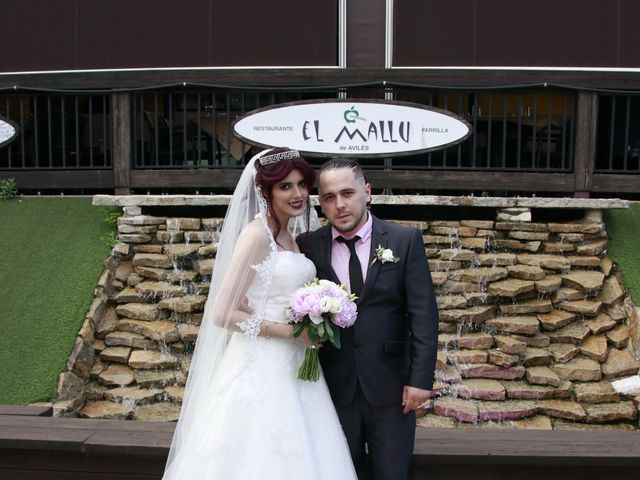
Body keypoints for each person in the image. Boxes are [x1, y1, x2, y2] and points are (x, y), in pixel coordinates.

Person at [163, 148, 357, 480]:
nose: (297, 194)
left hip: (296, 365)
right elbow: (222, 314)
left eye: (301, 185)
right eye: (285, 187)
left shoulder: (290, 235)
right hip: (260, 365)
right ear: (265, 191)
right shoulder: (256, 236)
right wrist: (292, 332)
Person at [297, 158, 439, 480]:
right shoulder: (308, 246)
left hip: (391, 389)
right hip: (332, 387)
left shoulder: (404, 240)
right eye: (329, 197)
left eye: (348, 193)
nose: (340, 204)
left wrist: (420, 379)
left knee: (391, 473)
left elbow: (424, 315)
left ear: (368, 192)